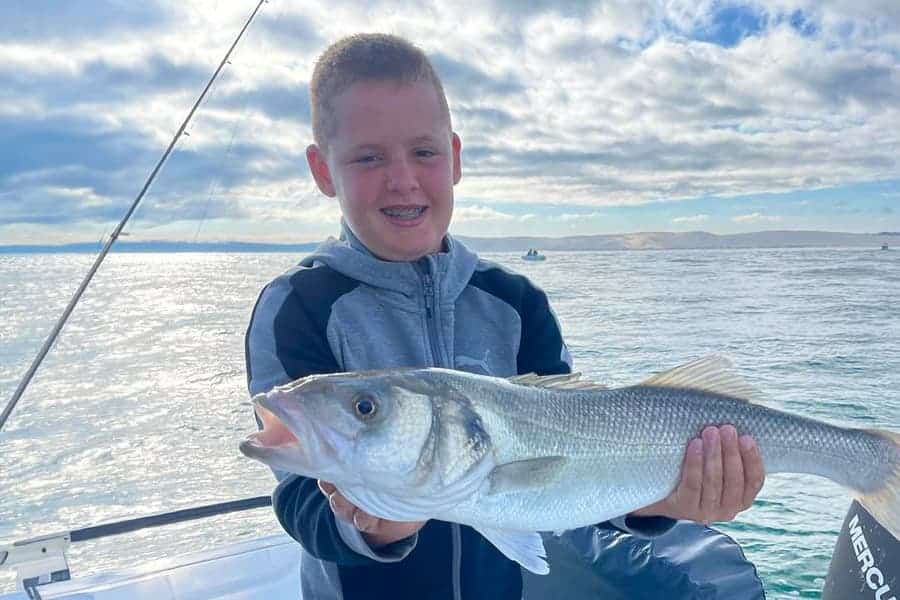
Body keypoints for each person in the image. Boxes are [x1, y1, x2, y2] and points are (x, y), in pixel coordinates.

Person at [244, 33, 765, 600]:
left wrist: (665, 501)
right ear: (323, 172)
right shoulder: (297, 307)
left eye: (424, 152)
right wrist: (378, 525)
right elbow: (299, 500)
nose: (402, 179)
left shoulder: (518, 303)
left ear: (456, 157)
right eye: (368, 157)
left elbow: (573, 483)